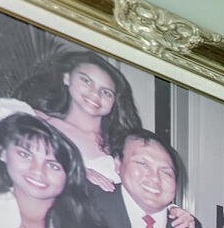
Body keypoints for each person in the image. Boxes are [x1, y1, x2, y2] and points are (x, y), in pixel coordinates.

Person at [12, 48, 145, 191]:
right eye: (86, 81)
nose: (95, 94)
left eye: (106, 92)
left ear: (114, 101)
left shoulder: (122, 143)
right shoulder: (43, 123)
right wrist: (75, 171)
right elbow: (1, 112)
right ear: (67, 78)